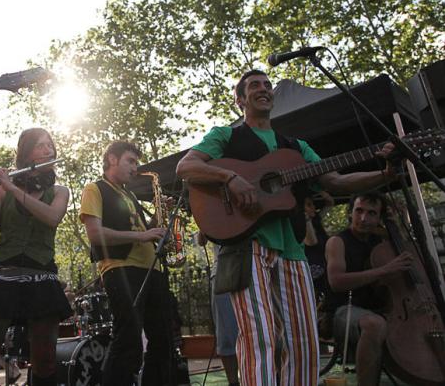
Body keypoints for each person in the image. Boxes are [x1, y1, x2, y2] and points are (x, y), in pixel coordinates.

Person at [176, 69, 395, 385]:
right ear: (240, 100)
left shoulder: (296, 147)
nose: (263, 89)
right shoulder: (225, 136)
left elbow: (335, 181)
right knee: (261, 338)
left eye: (267, 85)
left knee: (304, 340)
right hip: (247, 247)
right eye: (254, 85)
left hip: (292, 249)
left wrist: (385, 174)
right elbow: (186, 166)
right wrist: (230, 177)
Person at [0, 127, 72, 386]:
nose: (49, 150)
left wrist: (10, 186)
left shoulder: (60, 191)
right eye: (41, 145)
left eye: (50, 145)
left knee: (45, 363)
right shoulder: (2, 191)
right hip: (3, 278)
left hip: (42, 279)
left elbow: (52, 217)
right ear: (26, 153)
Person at [80, 140, 175, 386]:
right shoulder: (95, 188)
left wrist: (158, 215)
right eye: (130, 161)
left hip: (151, 270)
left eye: (136, 163)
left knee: (164, 340)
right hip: (121, 269)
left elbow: (144, 231)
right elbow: (95, 234)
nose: (135, 168)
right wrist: (142, 236)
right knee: (129, 342)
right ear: (112, 159)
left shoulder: (129, 194)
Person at [324, 193, 412, 386]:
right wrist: (384, 270)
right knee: (375, 324)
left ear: (379, 218)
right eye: (359, 211)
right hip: (343, 310)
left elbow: (407, 255)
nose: (364, 218)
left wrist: (399, 223)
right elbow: (336, 282)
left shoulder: (382, 240)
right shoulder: (337, 242)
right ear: (350, 213)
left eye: (372, 213)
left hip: (381, 309)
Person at [197, 233, 239, 386]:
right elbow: (201, 240)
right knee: (226, 333)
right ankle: (233, 382)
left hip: (252, 264)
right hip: (222, 270)